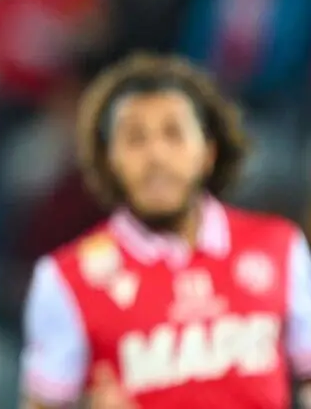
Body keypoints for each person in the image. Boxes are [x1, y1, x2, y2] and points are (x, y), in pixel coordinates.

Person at [19, 52, 311, 409]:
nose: (156, 156)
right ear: (109, 159)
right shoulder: (66, 279)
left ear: (208, 151)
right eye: (135, 139)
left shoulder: (280, 247)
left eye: (174, 134)